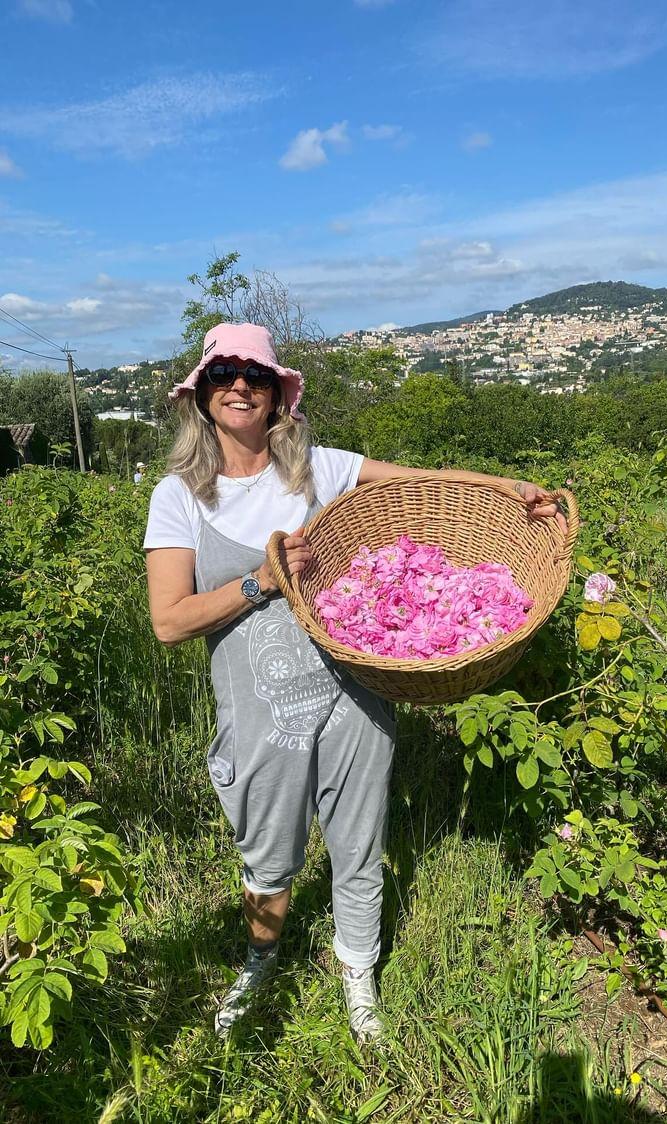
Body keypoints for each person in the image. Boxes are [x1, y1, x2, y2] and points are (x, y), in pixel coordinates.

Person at [143, 322, 566, 1041]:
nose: (240, 385)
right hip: (259, 714)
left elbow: (425, 486)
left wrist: (509, 488)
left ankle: (358, 974)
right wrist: (261, 581)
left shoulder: (321, 471)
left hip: (353, 697)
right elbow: (170, 620)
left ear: (278, 394)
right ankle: (260, 957)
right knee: (266, 850)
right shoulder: (181, 496)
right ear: (202, 395)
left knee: (357, 841)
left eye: (255, 374)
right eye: (223, 374)